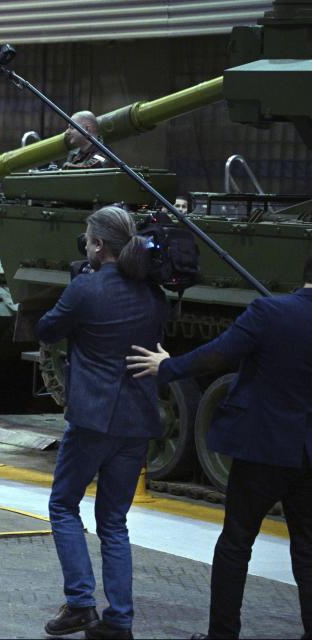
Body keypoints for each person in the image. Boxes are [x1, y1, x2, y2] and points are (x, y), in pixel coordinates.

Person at [127, 256, 312, 640]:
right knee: (308, 550)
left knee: (236, 542)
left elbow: (219, 353)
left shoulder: (269, 311)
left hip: (262, 448)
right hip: (308, 454)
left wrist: (168, 366)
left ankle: (223, 634)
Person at [36, 206, 170, 640]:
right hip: (136, 421)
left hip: (92, 418)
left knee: (63, 505)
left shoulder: (85, 290)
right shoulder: (152, 293)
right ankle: (120, 620)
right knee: (114, 520)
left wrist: (74, 291)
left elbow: (47, 329)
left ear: (97, 245)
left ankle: (79, 604)